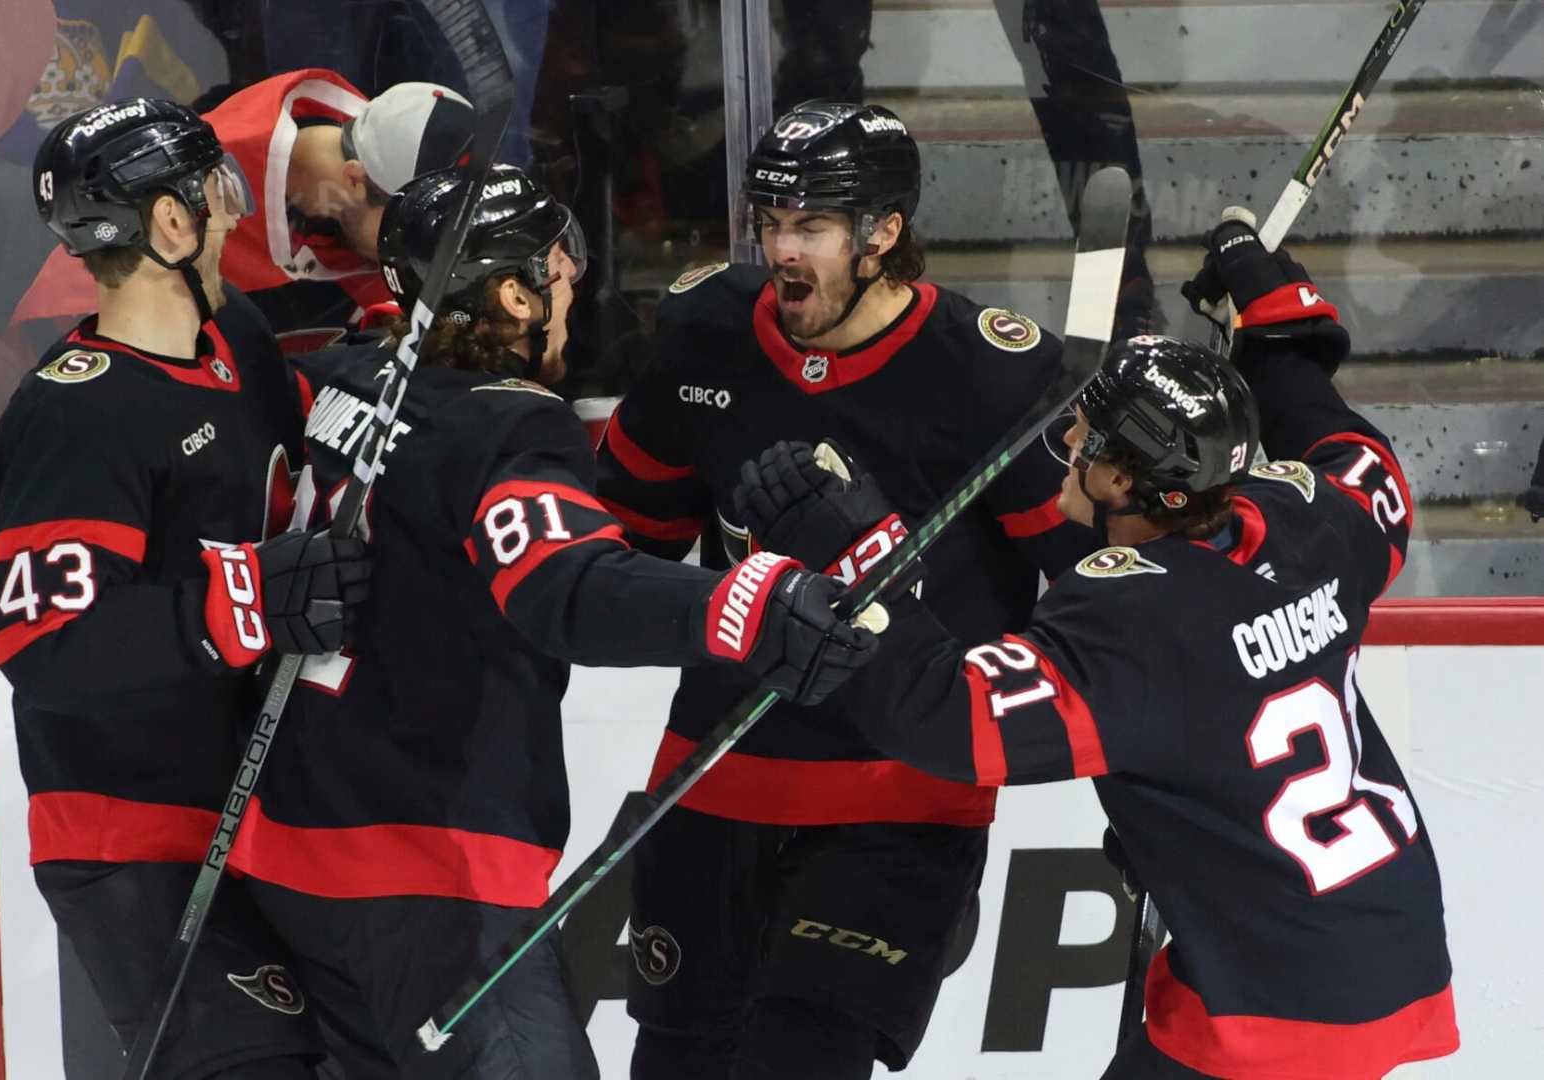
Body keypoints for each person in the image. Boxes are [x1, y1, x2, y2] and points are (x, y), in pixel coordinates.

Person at [739, 222, 1461, 1079]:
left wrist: (859, 549)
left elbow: (951, 722)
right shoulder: (1307, 521)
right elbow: (1360, 458)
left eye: (1085, 437)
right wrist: (1276, 327)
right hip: (1388, 946)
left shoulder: (1136, 614)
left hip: (1268, 1005)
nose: (1068, 446)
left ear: (1125, 480)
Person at [227, 164, 877, 1078]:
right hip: (431, 873)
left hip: (291, 854)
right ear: (511, 295)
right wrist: (745, 605)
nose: (571, 286)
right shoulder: (510, 427)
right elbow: (564, 586)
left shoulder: (339, 380)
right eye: (557, 271)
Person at [593, 100, 1097, 1078]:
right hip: (713, 775)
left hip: (900, 800)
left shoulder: (992, 374)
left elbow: (1096, 589)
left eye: (810, 228)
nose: (782, 250)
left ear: (883, 234)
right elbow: (622, 543)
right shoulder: (704, 334)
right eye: (770, 223)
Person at [0, 99, 372, 1078]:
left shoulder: (234, 332)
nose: (234, 208)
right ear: (167, 223)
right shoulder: (77, 413)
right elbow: (43, 641)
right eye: (214, 186)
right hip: (132, 836)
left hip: (254, 810)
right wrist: (240, 598)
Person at [10, 72, 475, 347]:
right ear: (354, 179)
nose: (413, 247)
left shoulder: (385, 137)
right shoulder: (201, 188)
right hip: (89, 331)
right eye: (407, 228)